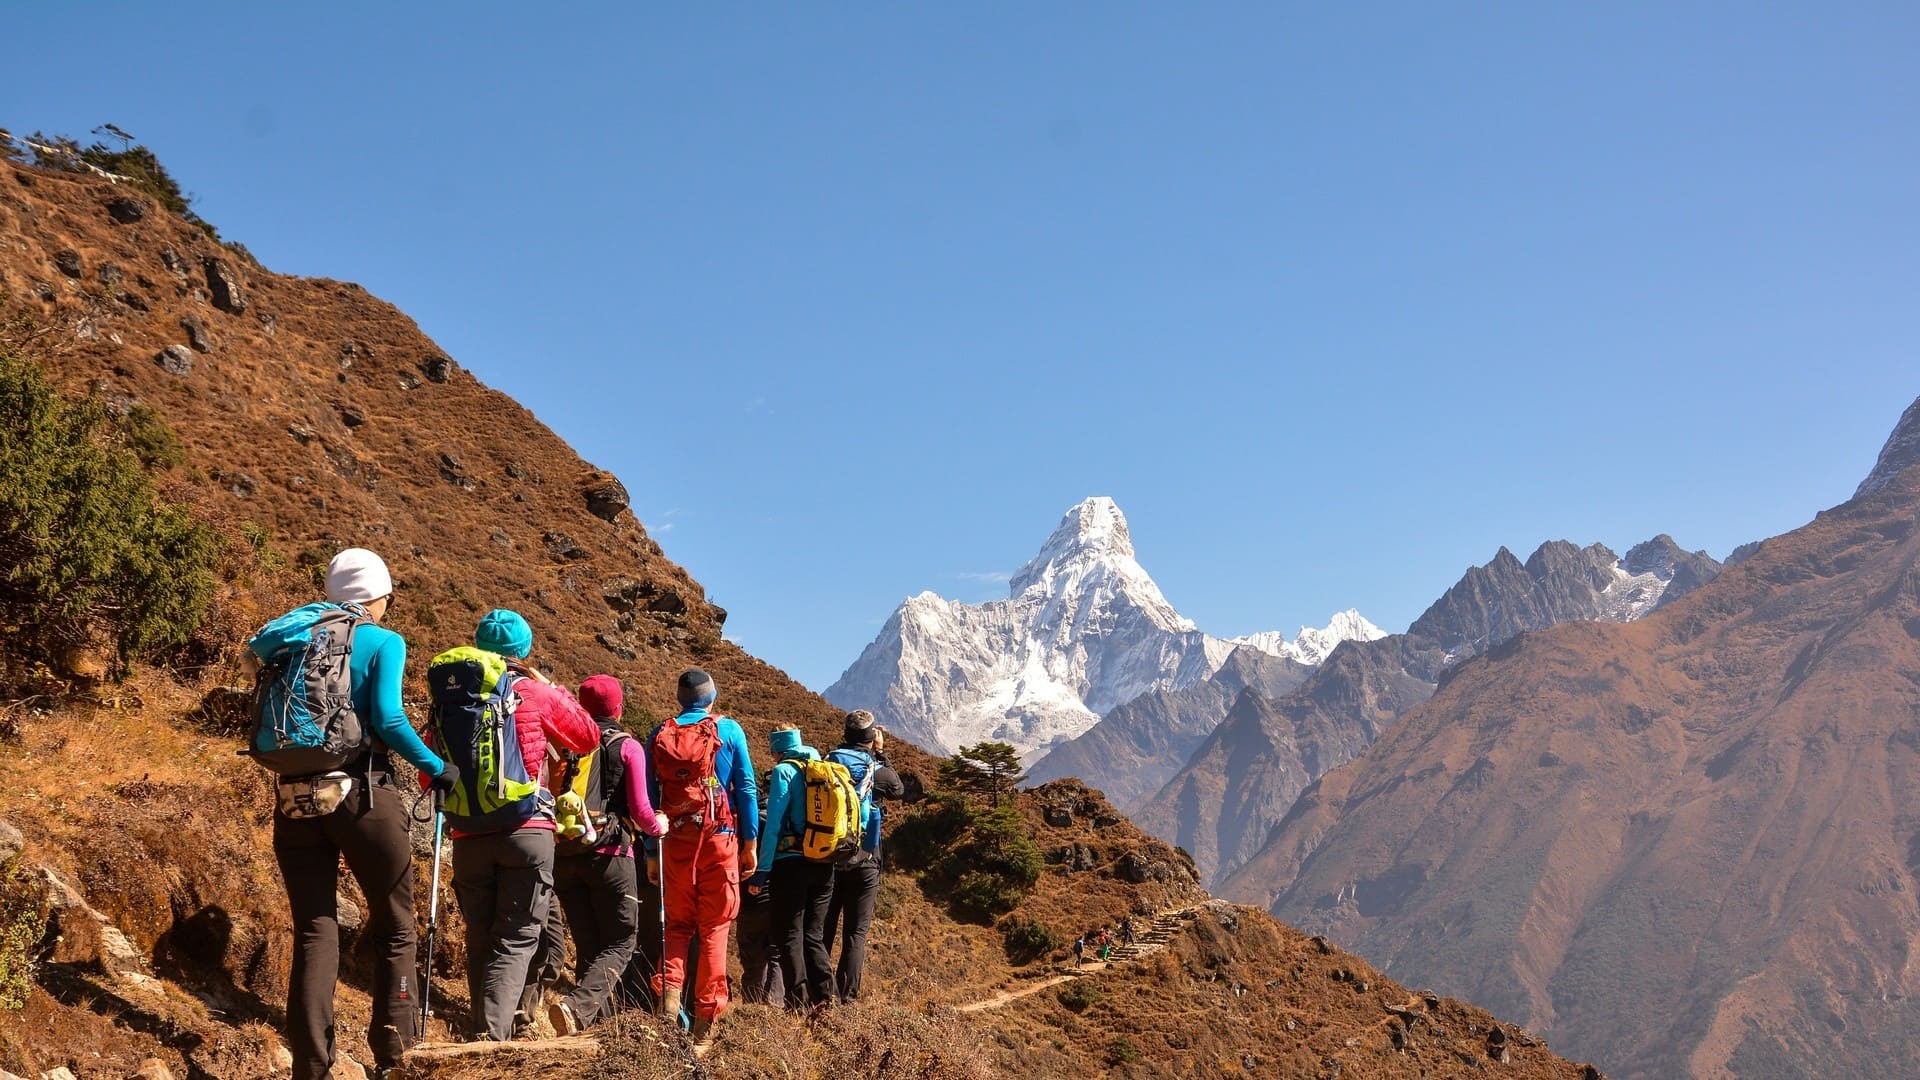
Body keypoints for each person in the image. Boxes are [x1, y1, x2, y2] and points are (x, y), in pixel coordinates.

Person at [266, 548, 459, 1080]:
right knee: (396, 928)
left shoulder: (296, 636)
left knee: (313, 928)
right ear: (379, 594)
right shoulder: (382, 640)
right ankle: (396, 1058)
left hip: (295, 794)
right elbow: (389, 718)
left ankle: (310, 1067)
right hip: (362, 793)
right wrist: (435, 766)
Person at [429, 609, 600, 1042]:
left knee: (481, 935)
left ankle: (484, 1029)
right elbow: (587, 736)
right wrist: (551, 688)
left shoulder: (452, 697)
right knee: (518, 937)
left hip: (467, 833)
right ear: (524, 651)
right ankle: (492, 1037)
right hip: (527, 829)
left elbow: (428, 768)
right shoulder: (531, 692)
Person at [545, 675, 668, 1035]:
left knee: (589, 944)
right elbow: (643, 814)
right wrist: (660, 825)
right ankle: (577, 1007)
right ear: (618, 707)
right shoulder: (626, 745)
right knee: (621, 941)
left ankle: (589, 1028)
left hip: (564, 853)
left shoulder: (564, 740)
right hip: (610, 851)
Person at [646, 669, 759, 1054]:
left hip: (675, 840)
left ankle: (669, 1004)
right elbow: (744, 786)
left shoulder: (661, 733)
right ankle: (705, 1025)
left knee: (677, 926)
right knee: (714, 928)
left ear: (681, 699)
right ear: (712, 697)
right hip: (719, 841)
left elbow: (649, 797)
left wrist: (650, 851)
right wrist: (750, 842)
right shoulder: (728, 731)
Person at [748, 727, 839, 1011]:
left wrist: (762, 871)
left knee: (788, 934)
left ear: (777, 750)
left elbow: (773, 824)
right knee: (813, 934)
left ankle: (797, 1004)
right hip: (825, 862)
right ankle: (828, 999)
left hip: (791, 864)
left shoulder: (783, 772)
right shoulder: (823, 767)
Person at [817, 712, 904, 1002]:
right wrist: (881, 752)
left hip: (829, 857)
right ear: (871, 737)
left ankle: (820, 995)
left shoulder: (829, 763)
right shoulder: (876, 768)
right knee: (855, 933)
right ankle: (847, 999)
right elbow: (898, 789)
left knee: (824, 928)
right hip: (866, 858)